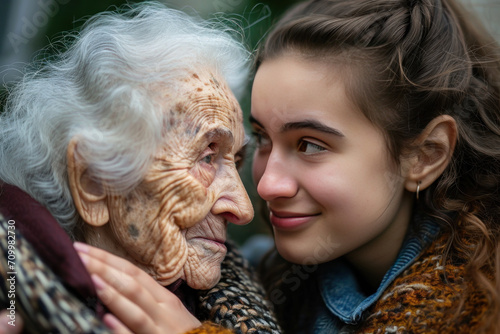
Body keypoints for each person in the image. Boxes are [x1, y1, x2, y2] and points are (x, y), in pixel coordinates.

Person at [78, 0, 500, 333]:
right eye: (262, 139)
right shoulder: (260, 280)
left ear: (424, 155)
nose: (265, 187)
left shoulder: (481, 310)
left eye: (311, 145)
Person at [0, 2, 281, 333]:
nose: (244, 209)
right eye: (207, 156)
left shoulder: (249, 293)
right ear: (94, 181)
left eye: (236, 160)